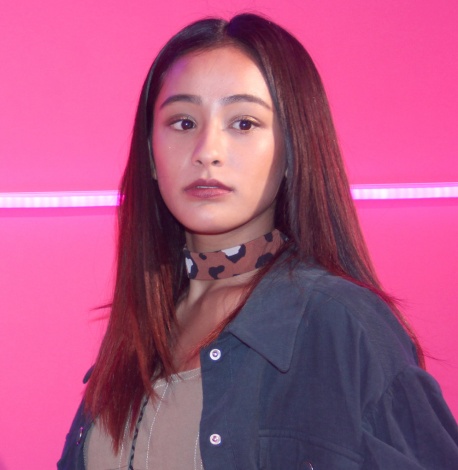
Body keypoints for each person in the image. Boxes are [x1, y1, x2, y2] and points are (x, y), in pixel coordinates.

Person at [58, 13, 458, 470]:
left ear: (292, 150)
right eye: (183, 123)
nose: (207, 151)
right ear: (150, 154)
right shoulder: (137, 330)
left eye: (244, 123)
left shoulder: (343, 324)